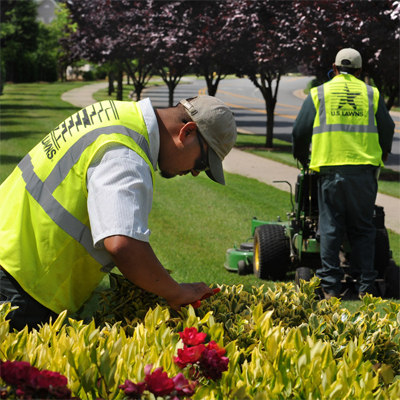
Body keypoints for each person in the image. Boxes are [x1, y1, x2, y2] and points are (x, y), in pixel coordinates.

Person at [0, 95, 237, 330]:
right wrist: (176, 291)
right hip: (21, 284)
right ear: (187, 131)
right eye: (202, 163)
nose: (196, 173)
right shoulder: (125, 155)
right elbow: (123, 245)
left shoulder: (114, 113)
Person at [292, 48, 395, 299]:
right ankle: (365, 285)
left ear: (334, 67)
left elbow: (299, 131)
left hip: (330, 171)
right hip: (363, 172)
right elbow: (388, 127)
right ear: (360, 71)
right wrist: (383, 154)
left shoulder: (319, 93)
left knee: (330, 228)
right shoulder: (371, 93)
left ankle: (331, 286)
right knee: (363, 228)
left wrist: (301, 156)